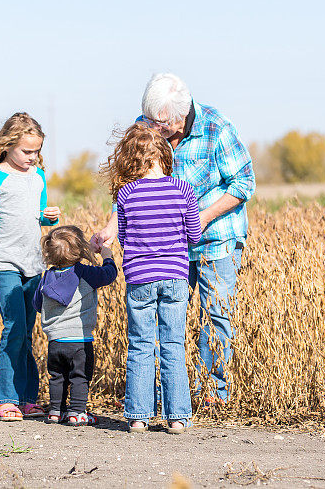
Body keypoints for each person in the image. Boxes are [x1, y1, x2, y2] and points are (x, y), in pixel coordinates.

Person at [93, 73, 255, 403]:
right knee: (161, 324)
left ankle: (213, 391)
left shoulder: (217, 127)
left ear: (181, 114)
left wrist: (197, 218)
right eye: (149, 119)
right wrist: (113, 225)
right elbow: (128, 183)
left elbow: (243, 183)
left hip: (215, 239)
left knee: (216, 315)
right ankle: (158, 398)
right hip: (165, 251)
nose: (154, 127)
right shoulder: (147, 125)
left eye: (161, 122)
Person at [101, 122, 202, 433]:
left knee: (141, 344)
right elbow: (195, 236)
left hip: (140, 279)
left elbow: (124, 235)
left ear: (132, 160)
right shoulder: (184, 190)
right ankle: (178, 418)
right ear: (165, 156)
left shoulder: (127, 194)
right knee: (173, 343)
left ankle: (138, 416)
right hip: (174, 276)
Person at [0, 112, 60, 422]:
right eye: (26, 151)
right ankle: (4, 397)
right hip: (4, 263)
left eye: (36, 151)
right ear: (8, 145)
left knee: (27, 331)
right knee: (15, 327)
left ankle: (27, 398)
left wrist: (50, 217)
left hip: (34, 265)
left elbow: (41, 216)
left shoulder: (38, 176)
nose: (32, 157)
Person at [32, 225, 118, 426]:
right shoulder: (84, 273)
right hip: (80, 340)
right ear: (80, 251)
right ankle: (77, 412)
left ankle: (55, 411)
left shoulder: (46, 277)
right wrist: (107, 254)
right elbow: (109, 274)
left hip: (55, 341)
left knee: (57, 376)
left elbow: (37, 305)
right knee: (80, 376)